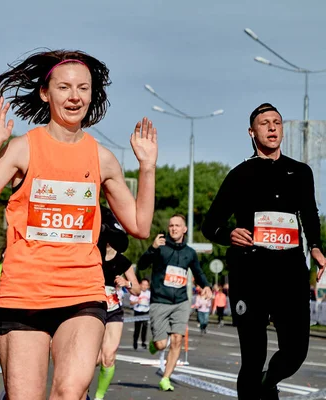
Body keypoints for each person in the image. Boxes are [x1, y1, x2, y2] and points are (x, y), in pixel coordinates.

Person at [0, 49, 157, 400]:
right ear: (45, 93)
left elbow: (140, 225)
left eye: (83, 88)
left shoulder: (102, 157)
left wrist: (147, 167)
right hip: (23, 295)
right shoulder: (24, 149)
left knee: (69, 392)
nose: (75, 96)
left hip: (82, 293)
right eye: (64, 87)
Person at [202, 103, 326, 400]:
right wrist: (228, 235)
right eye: (264, 123)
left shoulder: (300, 172)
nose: (272, 128)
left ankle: (268, 382)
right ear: (252, 132)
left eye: (277, 123)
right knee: (253, 357)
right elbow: (210, 224)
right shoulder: (240, 175)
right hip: (250, 276)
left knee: (296, 352)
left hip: (290, 274)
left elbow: (309, 214)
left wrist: (317, 248)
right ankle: (256, 386)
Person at [137, 214, 212, 392]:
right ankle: (155, 344)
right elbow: (141, 265)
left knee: (177, 340)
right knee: (162, 344)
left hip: (180, 302)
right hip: (160, 301)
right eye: (171, 225)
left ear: (184, 229)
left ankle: (165, 378)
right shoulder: (160, 248)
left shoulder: (190, 253)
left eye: (178, 225)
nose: (174, 228)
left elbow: (198, 272)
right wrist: (152, 248)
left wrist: (206, 286)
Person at [93, 206, 140, 400]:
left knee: (109, 356)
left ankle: (99, 397)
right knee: (93, 359)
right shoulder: (93, 255)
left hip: (113, 311)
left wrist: (127, 283)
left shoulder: (123, 261)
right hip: (93, 309)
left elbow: (137, 289)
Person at [130, 278, 151, 350]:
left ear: (148, 286)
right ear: (140, 285)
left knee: (145, 327)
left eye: (146, 285)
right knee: (137, 328)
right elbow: (131, 302)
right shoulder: (136, 292)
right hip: (138, 311)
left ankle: (143, 342)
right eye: (143, 284)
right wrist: (137, 302)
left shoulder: (149, 293)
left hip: (145, 311)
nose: (144, 286)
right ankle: (135, 342)